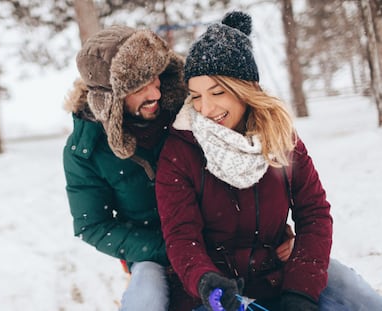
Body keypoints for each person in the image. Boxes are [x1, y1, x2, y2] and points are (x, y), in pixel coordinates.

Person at [155, 11, 382, 311]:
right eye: (195, 96)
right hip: (216, 295)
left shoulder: (280, 138)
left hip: (280, 279)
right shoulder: (180, 151)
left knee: (364, 302)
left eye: (217, 92)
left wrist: (301, 290)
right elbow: (182, 237)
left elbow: (314, 213)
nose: (205, 108)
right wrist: (205, 279)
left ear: (244, 90)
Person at [62, 25, 187, 311]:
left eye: (154, 77)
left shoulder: (182, 109)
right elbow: (92, 224)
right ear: (111, 98)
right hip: (150, 251)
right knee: (146, 297)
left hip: (212, 233)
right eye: (139, 87)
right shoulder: (86, 150)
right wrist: (164, 250)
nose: (155, 91)